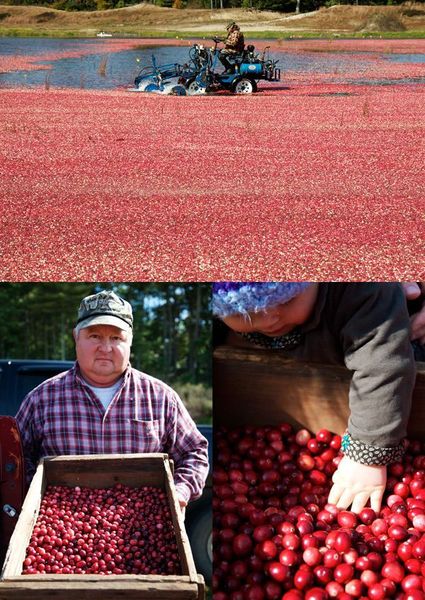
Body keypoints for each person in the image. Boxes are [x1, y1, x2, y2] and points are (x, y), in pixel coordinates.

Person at [212, 282, 417, 515]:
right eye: (245, 313)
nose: (269, 319)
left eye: (286, 301)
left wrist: (367, 455)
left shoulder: (363, 288)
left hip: (387, 338)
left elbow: (383, 367)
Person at [16, 290, 209, 512]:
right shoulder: (41, 399)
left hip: (142, 528)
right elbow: (15, 459)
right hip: (61, 528)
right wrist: (37, 495)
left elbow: (195, 452)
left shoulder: (161, 398)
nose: (105, 348)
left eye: (116, 338)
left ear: (130, 342)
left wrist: (180, 491)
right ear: (76, 336)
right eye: (95, 336)